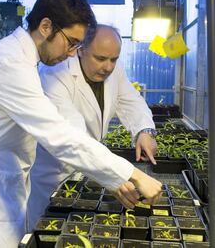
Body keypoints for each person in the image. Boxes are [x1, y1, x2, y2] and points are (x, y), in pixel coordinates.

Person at [0, 0, 162, 248]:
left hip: (0, 180)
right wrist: (134, 174)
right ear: (46, 27)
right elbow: (61, 135)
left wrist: (133, 150)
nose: (71, 53)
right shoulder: (10, 64)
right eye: (71, 42)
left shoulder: (21, 58)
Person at [27, 25, 158, 228]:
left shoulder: (115, 70)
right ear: (80, 49)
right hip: (56, 173)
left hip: (92, 167)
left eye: (113, 59)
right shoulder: (54, 75)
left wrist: (145, 131)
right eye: (100, 58)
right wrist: (125, 174)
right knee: (50, 230)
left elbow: (130, 100)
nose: (108, 67)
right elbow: (73, 137)